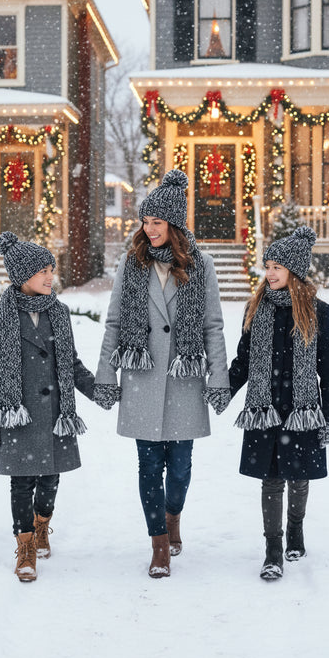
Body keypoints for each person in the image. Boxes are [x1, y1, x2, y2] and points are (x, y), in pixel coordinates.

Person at [93, 169, 231, 578]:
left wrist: (218, 379)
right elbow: (115, 322)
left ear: (174, 224)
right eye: (145, 221)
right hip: (143, 378)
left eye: (157, 222)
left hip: (185, 378)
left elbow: (213, 326)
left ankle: (173, 518)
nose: (149, 229)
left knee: (182, 466)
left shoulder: (202, 264)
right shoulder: (131, 263)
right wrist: (106, 375)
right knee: (149, 465)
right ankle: (158, 544)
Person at [0, 232, 95, 582]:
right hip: (17, 415)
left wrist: (98, 391)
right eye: (42, 271)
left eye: (51, 269)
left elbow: (70, 363)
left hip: (55, 415)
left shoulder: (59, 313)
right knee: (20, 482)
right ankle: (25, 547)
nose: (50, 276)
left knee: (49, 480)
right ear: (21, 275)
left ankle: (42, 524)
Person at [228, 226, 329, 581]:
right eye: (268, 266)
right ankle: (272, 549)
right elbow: (243, 361)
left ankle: (296, 531)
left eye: (277, 266)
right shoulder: (255, 308)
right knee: (272, 479)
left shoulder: (318, 312)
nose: (270, 273)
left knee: (300, 476)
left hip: (302, 412)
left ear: (294, 271)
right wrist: (221, 391)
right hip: (265, 409)